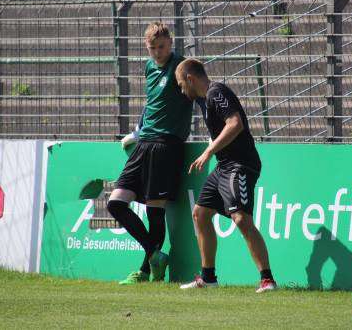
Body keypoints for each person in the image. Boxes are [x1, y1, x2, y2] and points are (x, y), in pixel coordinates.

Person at [174, 58, 277, 293]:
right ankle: (208, 278)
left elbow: (235, 123)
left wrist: (208, 151)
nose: (181, 90)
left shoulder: (215, 92)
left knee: (241, 219)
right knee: (200, 214)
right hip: (224, 166)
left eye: (181, 85)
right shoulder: (203, 100)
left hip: (240, 164)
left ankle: (267, 280)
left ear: (190, 78)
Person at [107, 22, 192, 285]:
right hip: (144, 143)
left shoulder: (181, 66)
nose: (157, 52)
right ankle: (155, 254)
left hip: (167, 144)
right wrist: (137, 131)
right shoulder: (149, 67)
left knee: (155, 212)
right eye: (153, 48)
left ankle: (144, 272)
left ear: (171, 43)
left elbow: (199, 96)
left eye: (162, 46)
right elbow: (150, 103)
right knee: (115, 203)